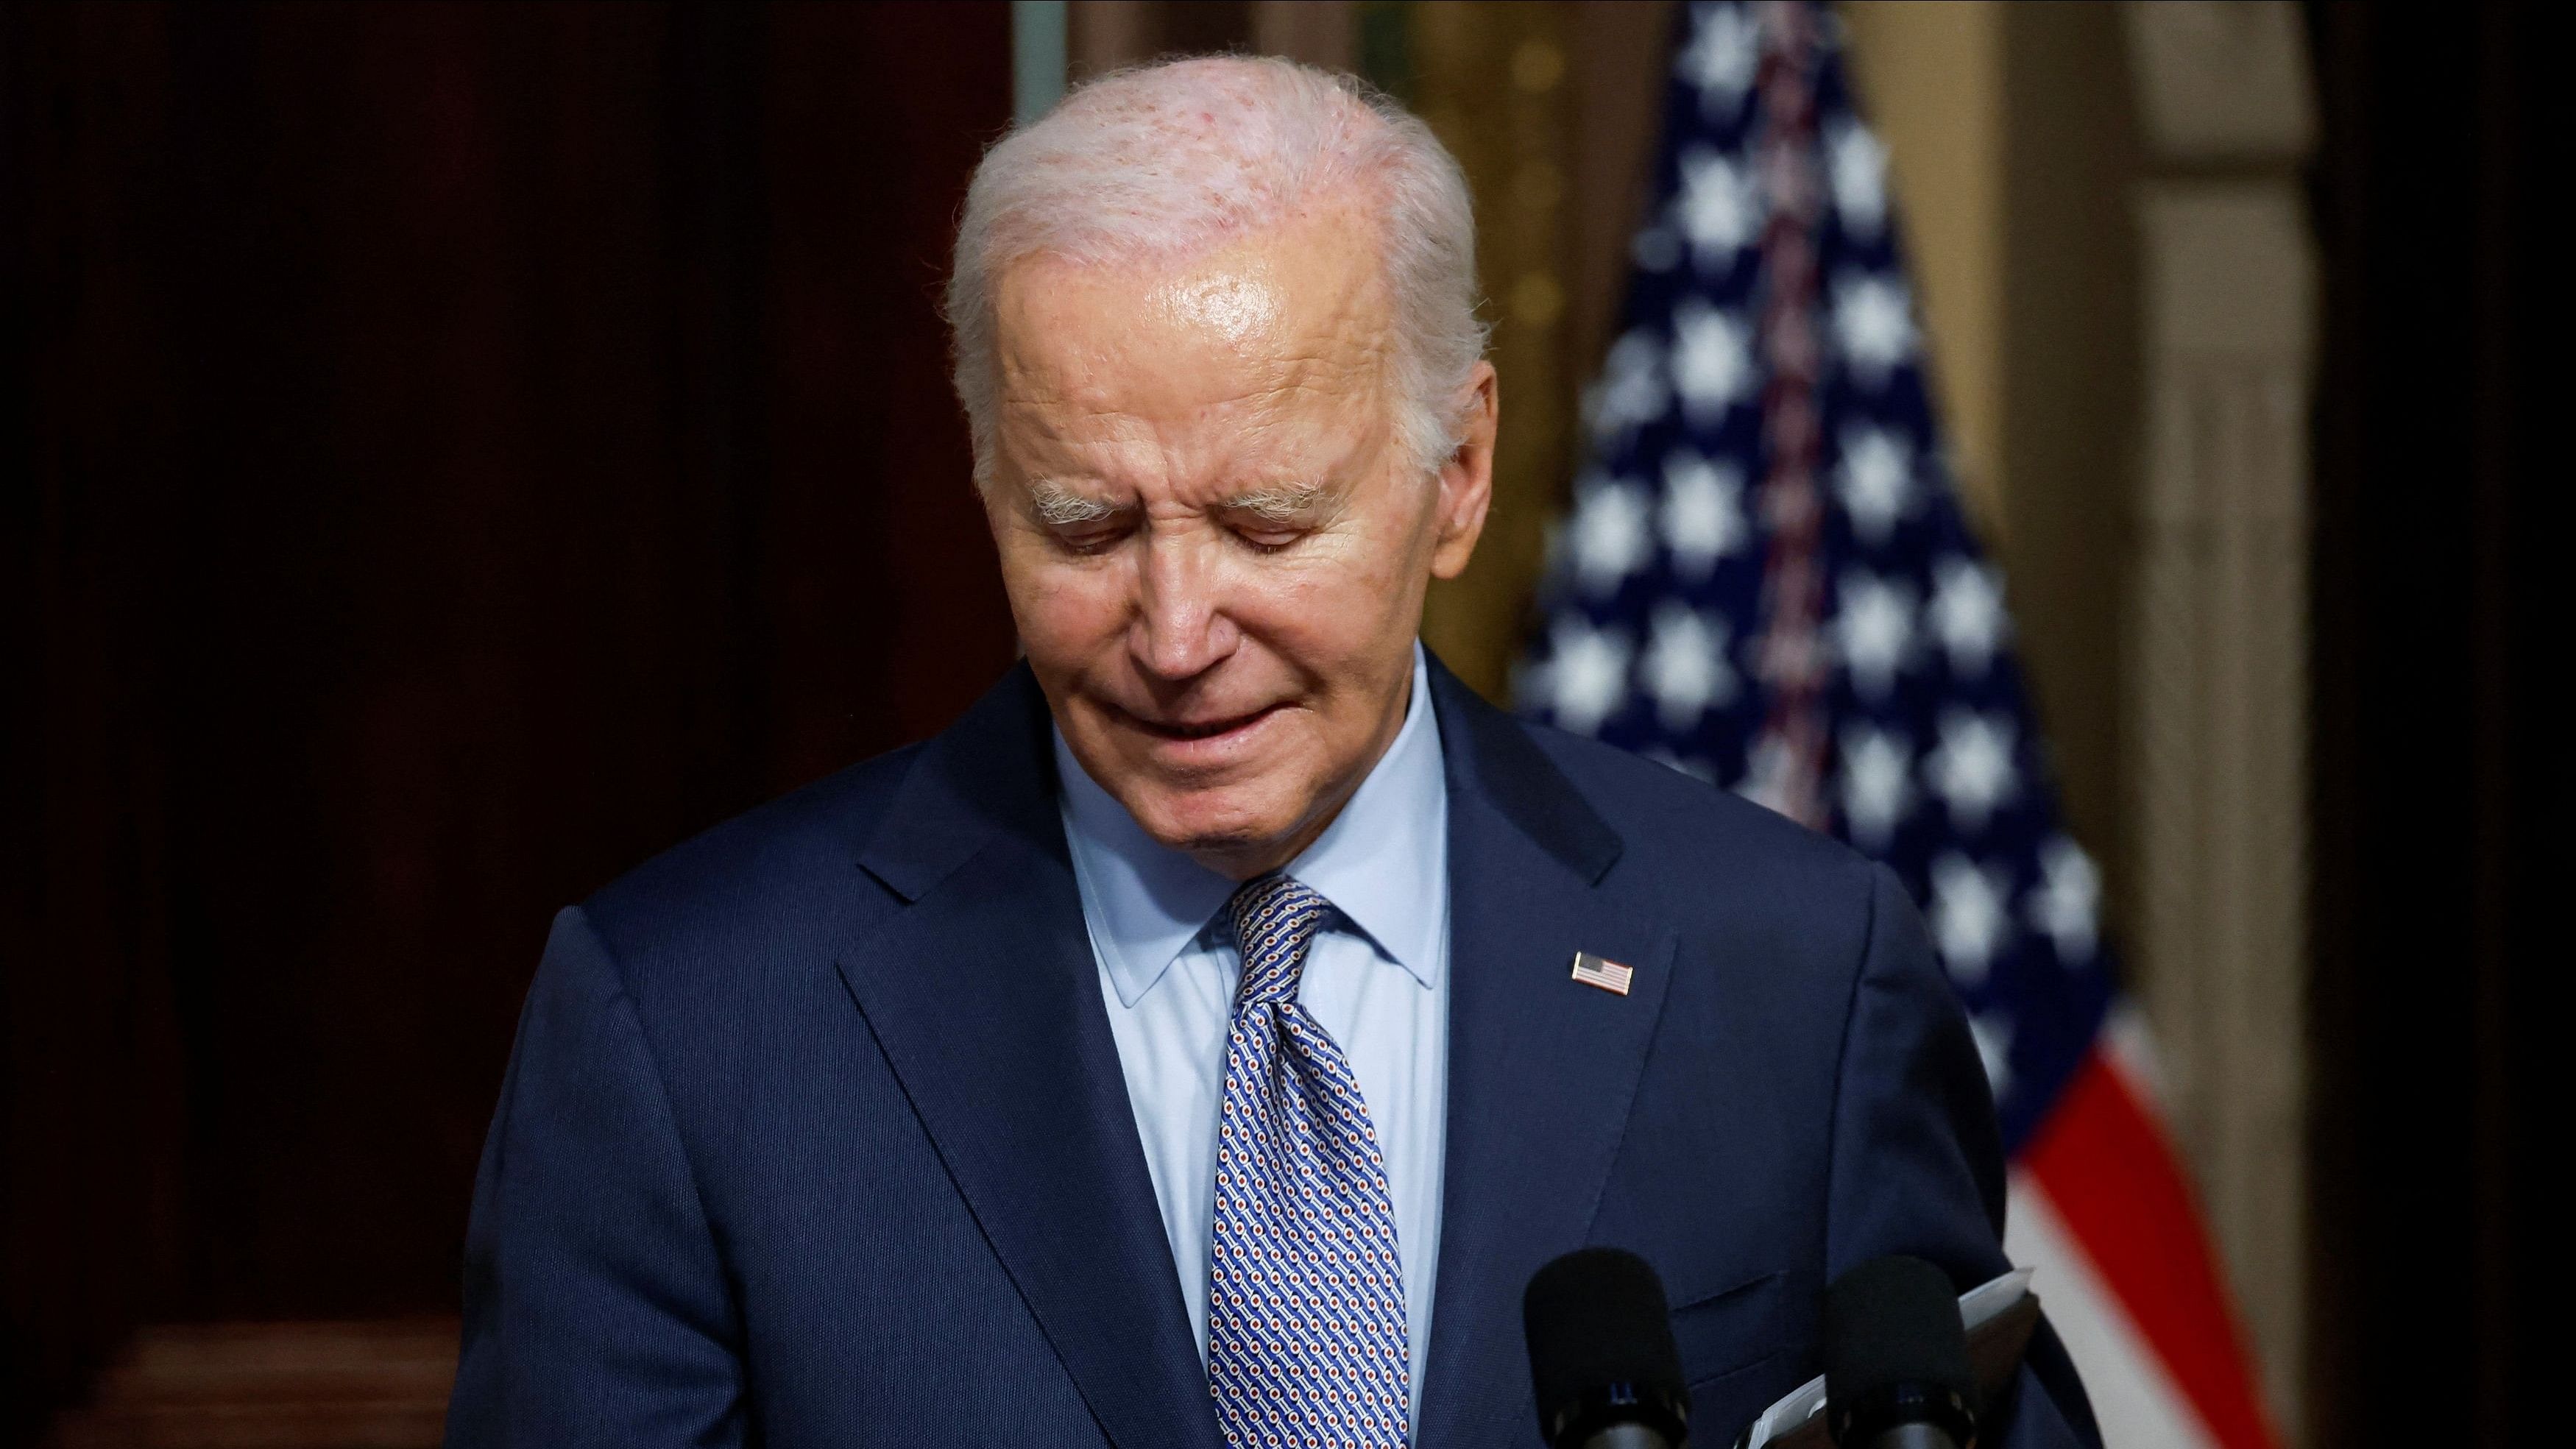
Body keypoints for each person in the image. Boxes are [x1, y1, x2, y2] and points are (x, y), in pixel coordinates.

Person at [444, 55, 2095, 1449]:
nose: (1174, 631)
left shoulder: (1792, 981)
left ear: (1456, 470)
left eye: (1265, 521)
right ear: (984, 480)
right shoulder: (691, 1031)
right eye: (1084, 525)